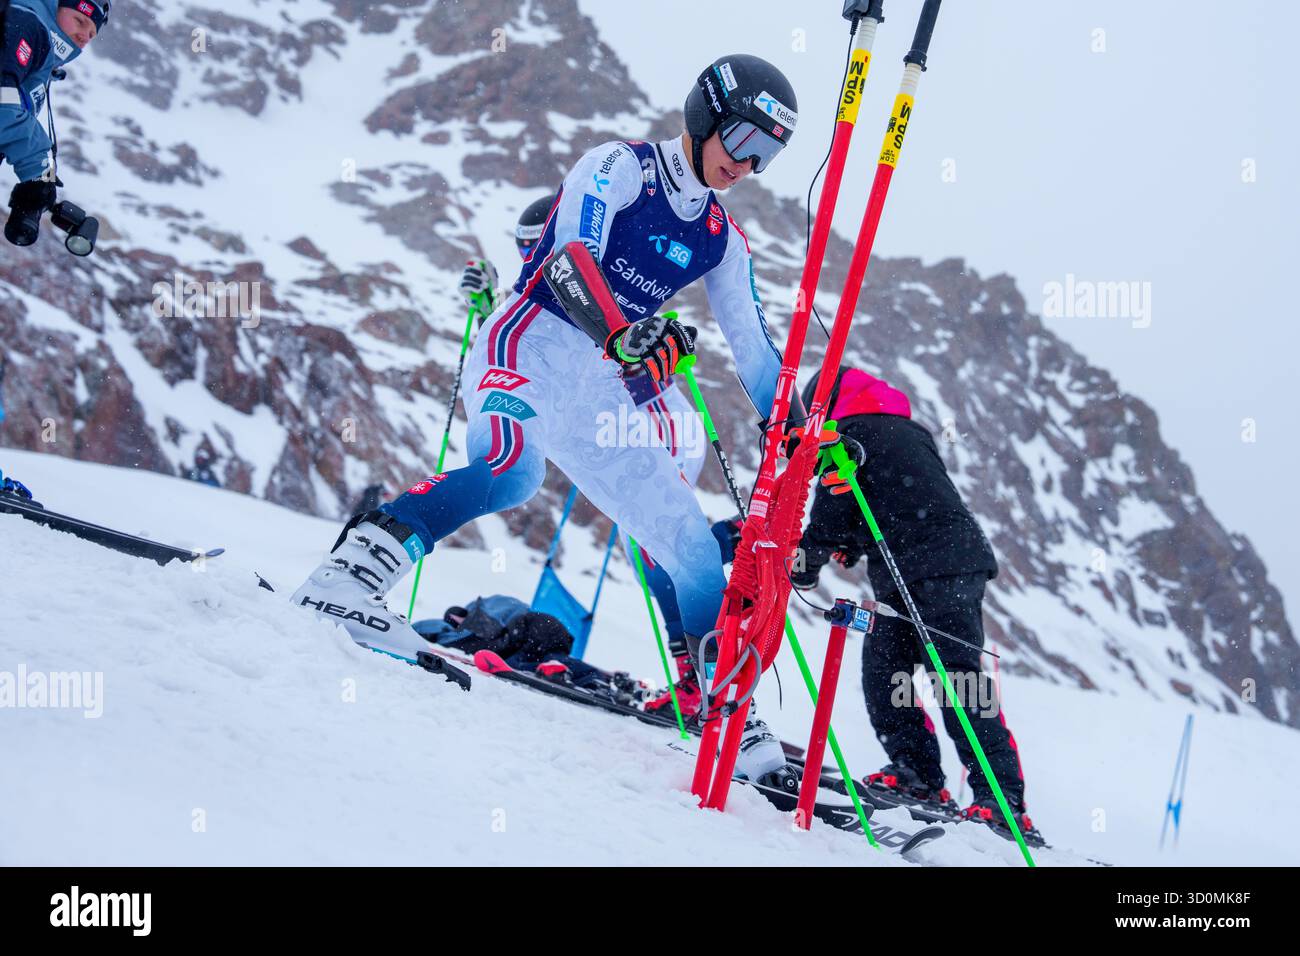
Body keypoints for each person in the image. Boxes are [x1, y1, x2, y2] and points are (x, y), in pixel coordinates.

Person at [292, 55, 811, 785]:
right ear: (706, 116)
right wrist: (621, 333)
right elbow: (569, 260)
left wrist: (797, 425)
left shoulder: (723, 238)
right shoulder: (621, 167)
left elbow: (755, 350)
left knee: (692, 551)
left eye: (769, 156)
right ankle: (348, 577)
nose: (748, 165)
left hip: (598, 389)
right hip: (530, 340)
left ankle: (722, 712)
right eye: (743, 141)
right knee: (512, 470)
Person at [460, 197, 708, 684]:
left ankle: (702, 675)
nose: (540, 260)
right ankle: (696, 670)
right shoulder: (557, 287)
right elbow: (535, 354)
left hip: (657, 427)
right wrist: (487, 307)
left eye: (542, 246)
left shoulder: (601, 284)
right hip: (614, 426)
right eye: (528, 250)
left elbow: (579, 347)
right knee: (652, 552)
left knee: (661, 547)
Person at [791, 366, 1037, 836]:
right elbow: (897, 499)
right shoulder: (904, 430)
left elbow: (832, 507)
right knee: (890, 667)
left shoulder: (846, 434)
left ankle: (1000, 799)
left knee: (953, 677)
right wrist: (858, 542)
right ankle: (919, 774)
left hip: (935, 567)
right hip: (931, 563)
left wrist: (806, 561)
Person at [2, 1, 110, 246]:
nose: (84, 36)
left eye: (92, 34)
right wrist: (37, 170)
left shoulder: (39, 51)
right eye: (79, 21)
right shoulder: (26, 25)